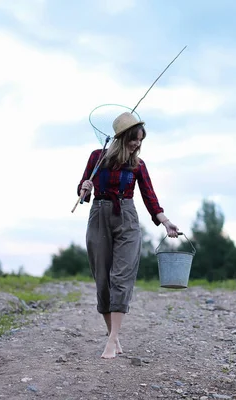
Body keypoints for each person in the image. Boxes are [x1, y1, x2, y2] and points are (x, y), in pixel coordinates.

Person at [76, 111, 180, 359]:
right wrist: (84, 189)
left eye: (141, 140)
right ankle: (113, 334)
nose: (137, 144)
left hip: (127, 218)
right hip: (99, 215)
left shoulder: (138, 165)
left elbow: (149, 196)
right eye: (134, 139)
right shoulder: (97, 158)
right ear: (122, 138)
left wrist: (165, 222)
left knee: (121, 277)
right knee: (103, 279)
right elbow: (82, 192)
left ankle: (111, 341)